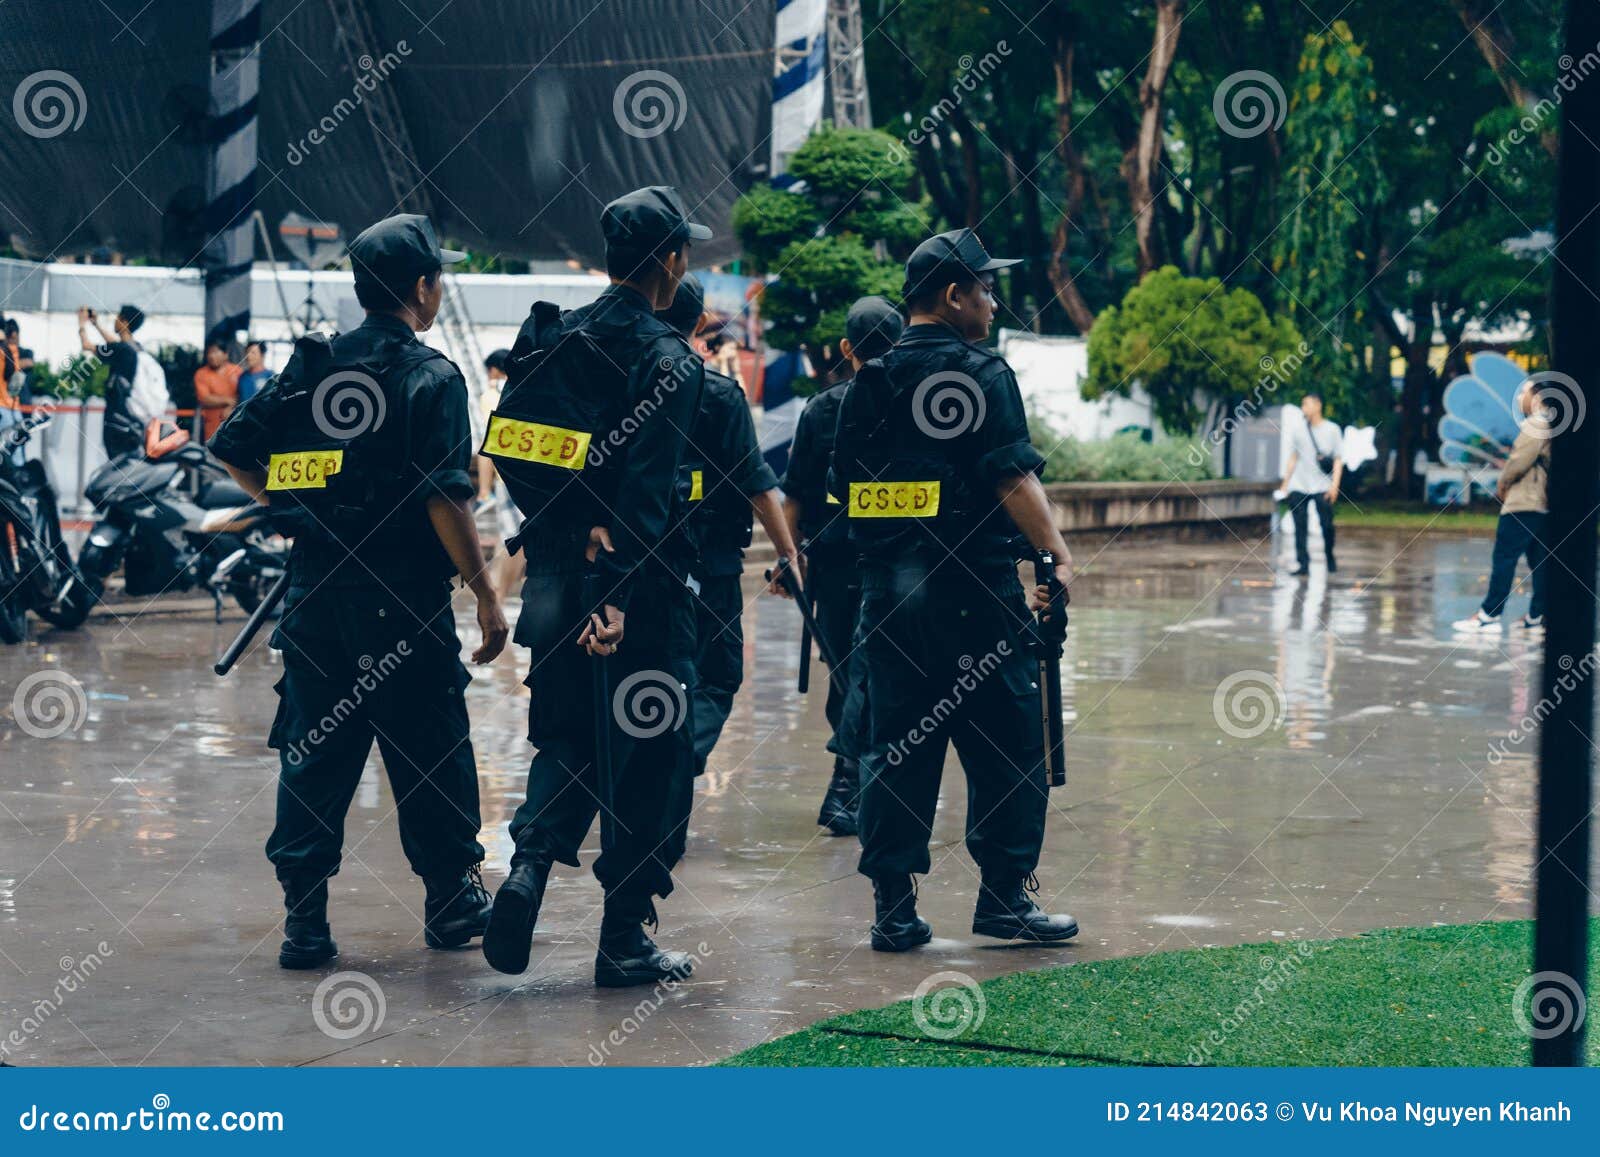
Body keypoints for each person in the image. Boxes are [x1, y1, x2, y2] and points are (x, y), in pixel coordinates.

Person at [210, 212, 508, 970]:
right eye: (437, 279)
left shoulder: (313, 367)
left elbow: (234, 446)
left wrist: (289, 501)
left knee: (314, 754)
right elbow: (448, 501)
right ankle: (450, 900)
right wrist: (484, 591)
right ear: (420, 287)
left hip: (316, 599)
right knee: (433, 750)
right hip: (403, 603)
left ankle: (304, 922)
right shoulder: (431, 376)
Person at [480, 186, 708, 988]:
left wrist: (565, 521)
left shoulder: (552, 334)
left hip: (550, 578)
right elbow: (647, 493)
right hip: (632, 594)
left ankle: (528, 870)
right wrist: (614, 592)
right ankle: (624, 940)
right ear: (671, 261)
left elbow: (507, 444)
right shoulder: (667, 358)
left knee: (568, 738)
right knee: (651, 759)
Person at [831, 228, 1079, 952]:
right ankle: (1004, 899)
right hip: (976, 601)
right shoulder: (982, 372)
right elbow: (1012, 476)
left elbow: (845, 493)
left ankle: (893, 910)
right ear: (953, 294)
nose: (994, 301)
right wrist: (1055, 554)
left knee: (895, 750)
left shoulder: (867, 383)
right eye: (986, 287)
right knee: (1008, 748)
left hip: (890, 604)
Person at [657, 273, 797, 865]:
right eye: (708, 336)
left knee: (653, 684)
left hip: (624, 567)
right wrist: (790, 554)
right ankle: (673, 766)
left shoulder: (617, 382)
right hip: (709, 567)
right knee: (715, 677)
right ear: (694, 329)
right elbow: (757, 483)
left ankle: (643, 790)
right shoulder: (715, 395)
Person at [782, 295, 904, 836]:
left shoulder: (821, 408)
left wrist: (791, 558)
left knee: (849, 672)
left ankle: (852, 778)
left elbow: (794, 498)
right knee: (869, 672)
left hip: (833, 566)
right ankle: (851, 780)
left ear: (845, 348)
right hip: (895, 564)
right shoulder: (915, 406)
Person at [1453, 380, 1550, 634]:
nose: (1519, 398)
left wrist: (1502, 483)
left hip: (1523, 502)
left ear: (1537, 396)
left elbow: (1518, 461)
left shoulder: (1536, 423)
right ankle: (1538, 615)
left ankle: (1489, 615)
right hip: (1542, 504)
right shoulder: (1552, 424)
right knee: (1539, 560)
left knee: (1504, 557)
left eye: (1523, 393)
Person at [1279, 393, 1343, 576]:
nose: (1303, 408)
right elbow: (1293, 458)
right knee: (1300, 526)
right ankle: (1303, 563)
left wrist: (1334, 486)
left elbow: (1338, 460)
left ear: (1318, 405)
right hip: (1299, 485)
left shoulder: (1332, 430)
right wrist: (1285, 484)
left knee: (1327, 525)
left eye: (1306, 404)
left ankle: (1329, 556)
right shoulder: (1299, 430)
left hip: (1322, 486)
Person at [78, 305, 148, 458]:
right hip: (132, 417)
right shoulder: (136, 349)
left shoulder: (121, 349)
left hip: (116, 416)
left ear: (125, 322)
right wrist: (96, 324)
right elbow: (114, 344)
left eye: (118, 317)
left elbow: (86, 345)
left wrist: (82, 324)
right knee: (128, 463)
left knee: (117, 463)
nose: (114, 320)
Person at [194, 340, 242, 441]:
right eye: (209, 352)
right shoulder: (201, 374)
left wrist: (231, 407)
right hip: (212, 430)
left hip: (236, 427)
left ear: (225, 355)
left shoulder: (238, 371)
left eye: (215, 352)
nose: (211, 356)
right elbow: (204, 399)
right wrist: (228, 401)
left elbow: (245, 395)